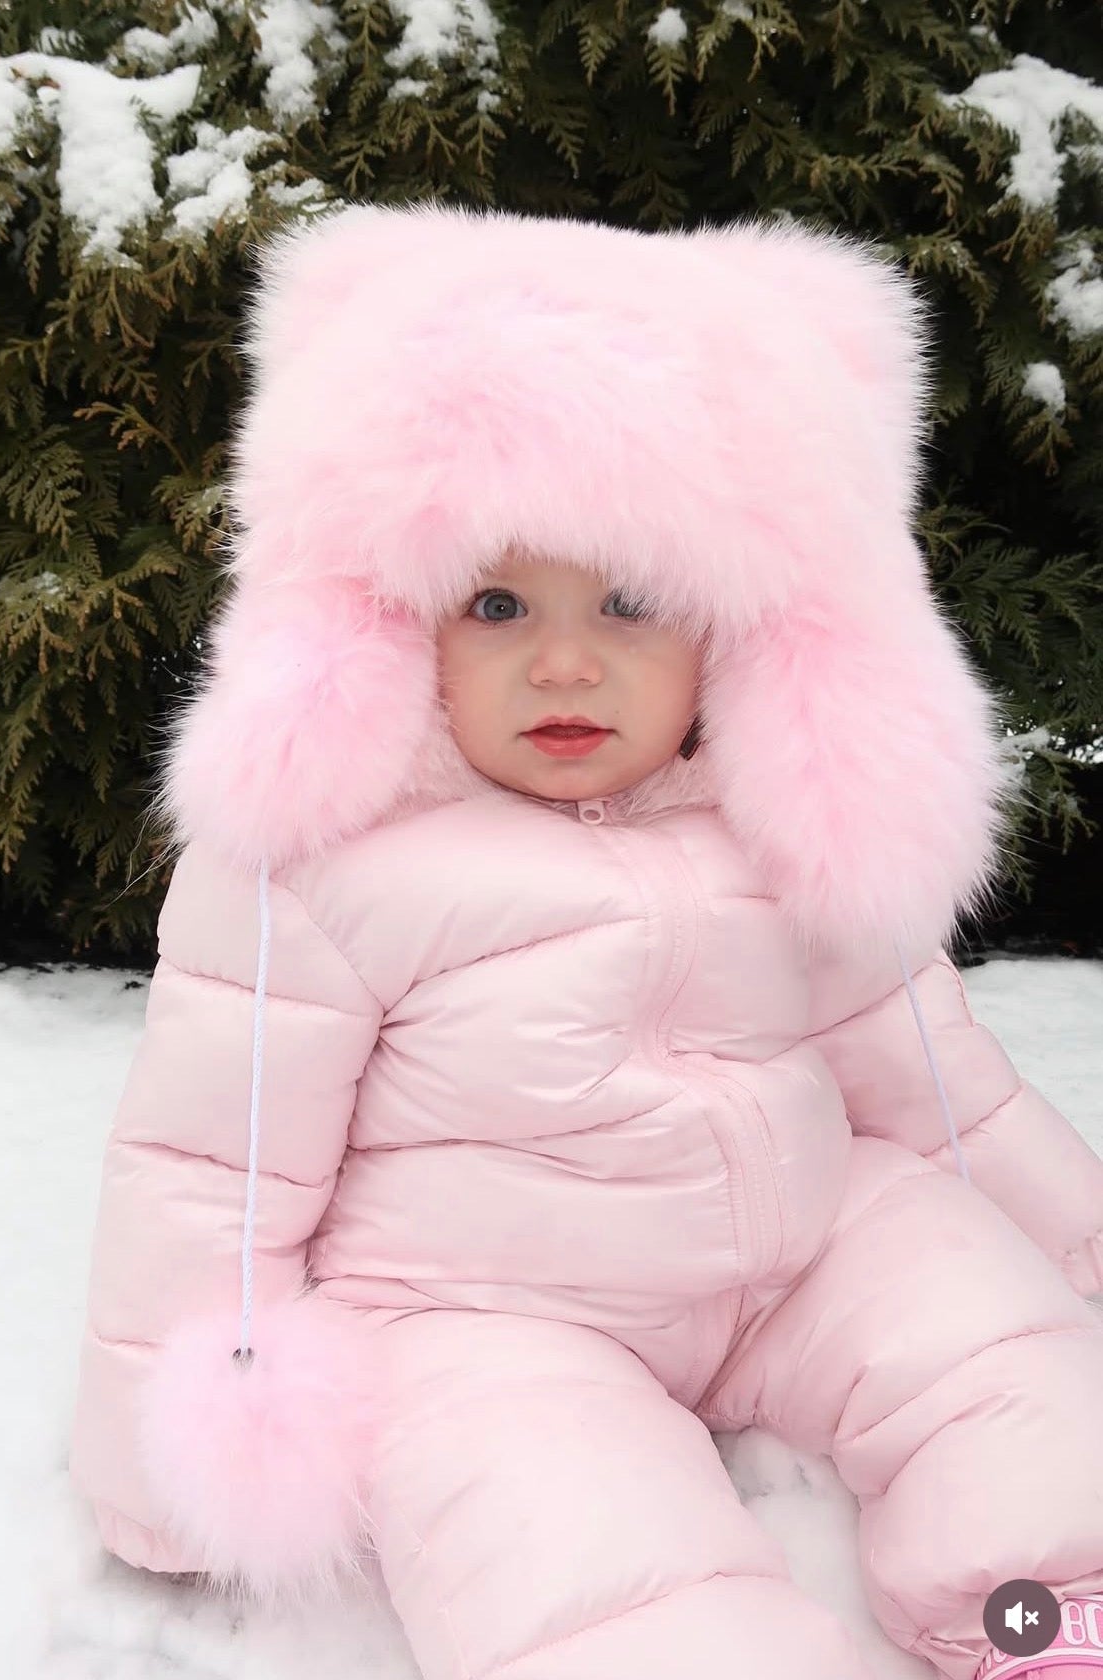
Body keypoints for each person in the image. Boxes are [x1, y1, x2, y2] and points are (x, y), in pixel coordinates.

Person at [68, 200, 1103, 1680]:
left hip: (800, 1249)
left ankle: (1050, 1618)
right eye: (495, 602)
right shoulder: (327, 868)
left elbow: (920, 1057)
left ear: (741, 627)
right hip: (485, 1312)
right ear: (391, 623)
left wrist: (1064, 1235)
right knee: (572, 1553)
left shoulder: (773, 813)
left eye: (630, 601)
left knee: (1001, 1356)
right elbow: (205, 1162)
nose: (563, 659)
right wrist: (165, 1449)